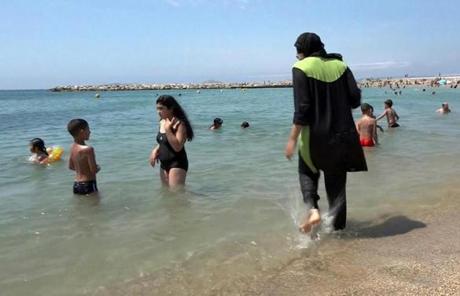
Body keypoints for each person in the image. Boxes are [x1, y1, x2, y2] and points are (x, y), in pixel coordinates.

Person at [285, 32, 367, 234]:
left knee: (307, 171)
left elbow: (302, 109)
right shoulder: (341, 65)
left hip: (314, 137)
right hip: (343, 136)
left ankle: (313, 209)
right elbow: (355, 100)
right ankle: (340, 235)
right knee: (337, 189)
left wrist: (292, 139)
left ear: (301, 51)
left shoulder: (300, 67)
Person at [149, 95, 194, 189]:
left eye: (161, 108)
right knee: (166, 194)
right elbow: (163, 141)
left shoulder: (179, 124)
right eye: (157, 108)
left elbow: (178, 147)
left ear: (171, 109)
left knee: (177, 194)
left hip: (177, 163)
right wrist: (155, 150)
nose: (158, 112)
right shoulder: (162, 121)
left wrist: (168, 129)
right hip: (163, 163)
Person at [67, 119, 100, 195]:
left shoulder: (72, 148)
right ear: (82, 132)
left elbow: (71, 167)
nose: (90, 132)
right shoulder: (88, 149)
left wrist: (82, 170)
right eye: (88, 129)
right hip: (88, 184)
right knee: (94, 205)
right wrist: (98, 167)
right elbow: (94, 170)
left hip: (76, 185)